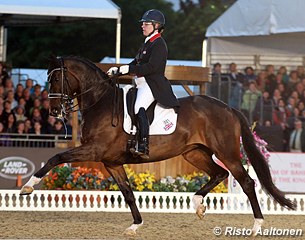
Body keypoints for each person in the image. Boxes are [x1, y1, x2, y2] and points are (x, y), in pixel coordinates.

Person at [107, 9, 180, 159]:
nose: (143, 26)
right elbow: (136, 62)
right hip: (141, 83)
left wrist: (131, 69)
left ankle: (143, 145)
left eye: (146, 24)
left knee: (138, 107)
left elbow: (151, 67)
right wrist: (120, 70)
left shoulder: (159, 44)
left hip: (152, 84)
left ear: (156, 25)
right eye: (143, 24)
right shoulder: (147, 43)